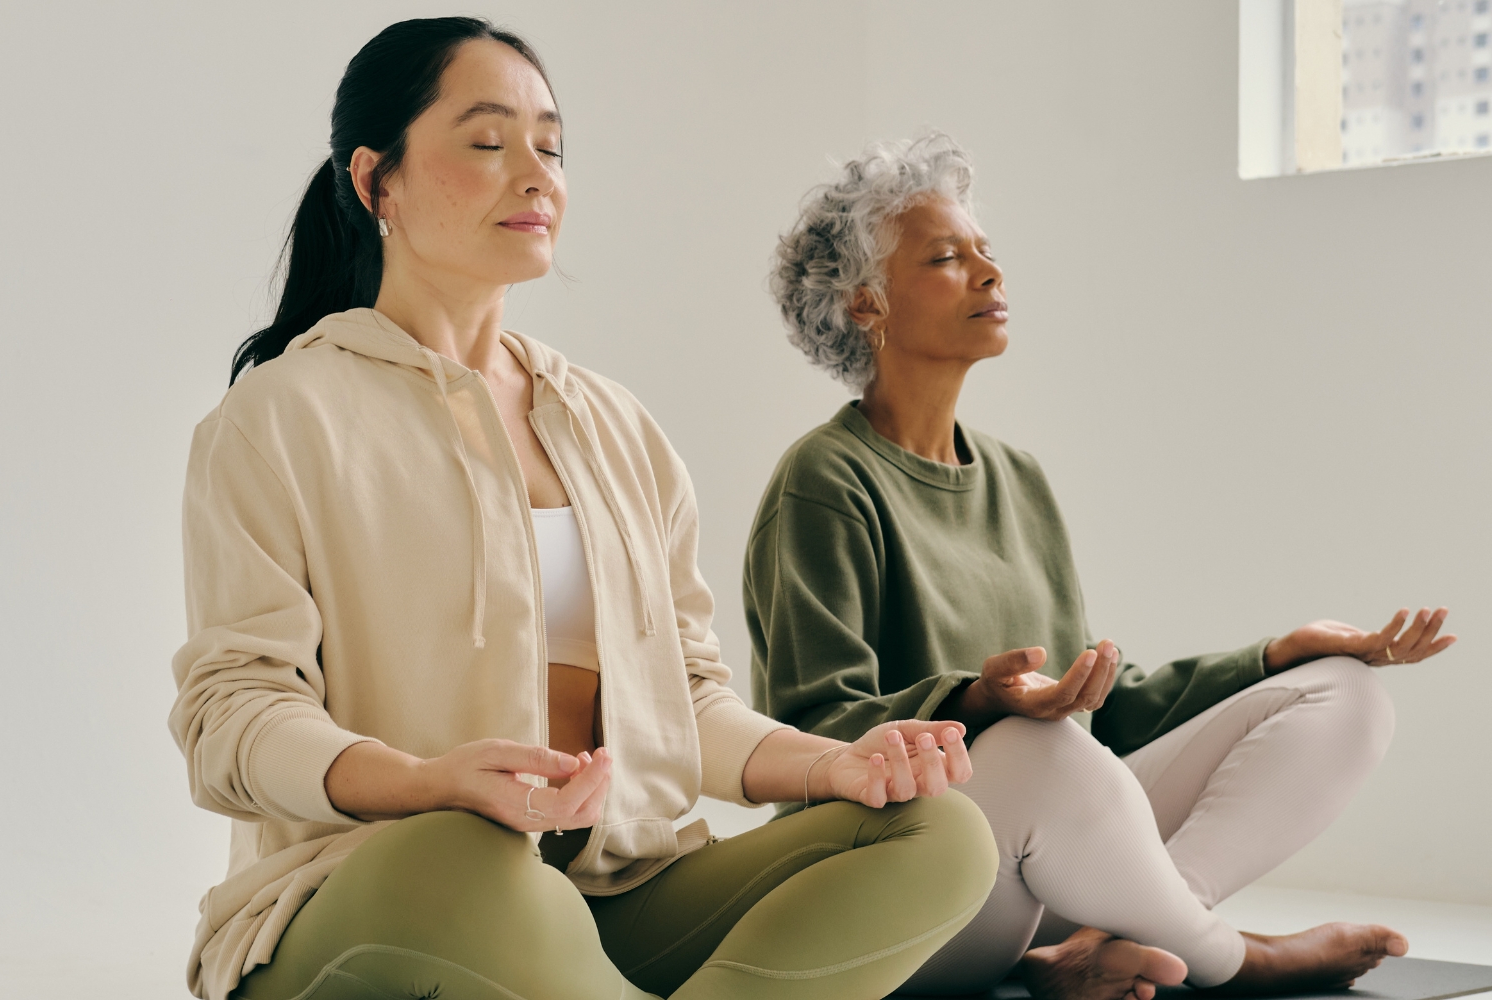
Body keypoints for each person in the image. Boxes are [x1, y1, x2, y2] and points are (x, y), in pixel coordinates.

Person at [171, 22, 999, 1000]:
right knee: (469, 858)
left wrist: (837, 766)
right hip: (379, 896)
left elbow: (686, 700)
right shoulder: (275, 419)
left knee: (936, 830)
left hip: (615, 896)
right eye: (486, 142)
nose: (533, 174)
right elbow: (234, 715)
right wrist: (426, 782)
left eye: (550, 146)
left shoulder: (613, 424)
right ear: (374, 182)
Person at [746, 133, 1458, 1000]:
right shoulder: (823, 482)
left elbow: (1105, 713)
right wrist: (979, 702)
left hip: (1053, 858)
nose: (989, 274)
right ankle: (1234, 959)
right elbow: (812, 729)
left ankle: (1116, 936)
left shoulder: (1020, 480)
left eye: (986, 252)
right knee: (1040, 749)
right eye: (945, 257)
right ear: (866, 306)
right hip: (911, 888)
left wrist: (1279, 655)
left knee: (1345, 693)